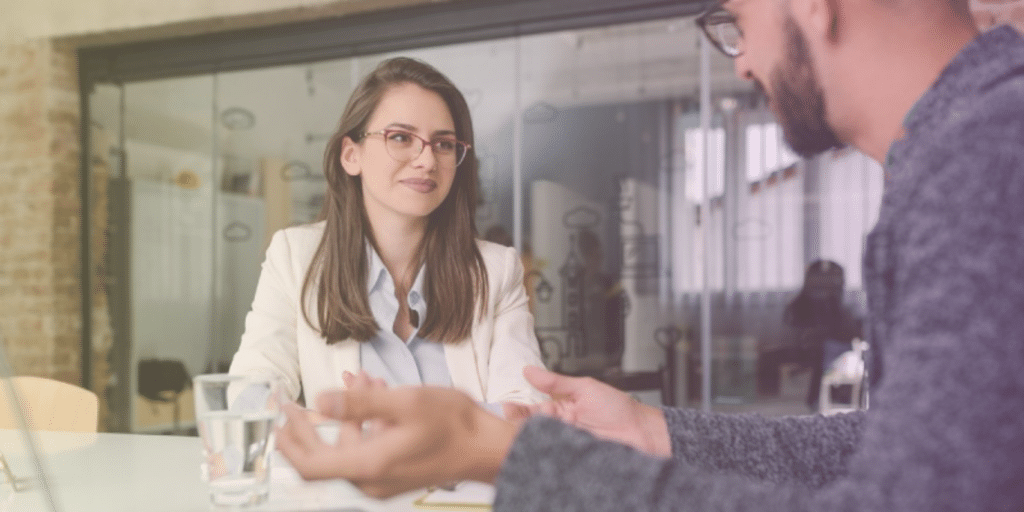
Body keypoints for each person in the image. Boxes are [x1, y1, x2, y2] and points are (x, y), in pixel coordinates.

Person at [276, 2, 1024, 510]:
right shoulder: (962, 146)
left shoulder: (987, 159)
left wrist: (506, 457)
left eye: (740, 18)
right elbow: (884, 447)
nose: (741, 60)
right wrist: (655, 429)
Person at [229, 57, 545, 413]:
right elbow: (250, 388)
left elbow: (526, 407)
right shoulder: (294, 257)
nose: (426, 160)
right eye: (400, 137)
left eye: (443, 144)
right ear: (351, 155)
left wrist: (405, 423)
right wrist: (324, 428)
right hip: (344, 469)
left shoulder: (496, 271)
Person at [782, 259, 861, 409]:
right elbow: (796, 328)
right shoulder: (800, 304)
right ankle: (817, 398)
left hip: (838, 345)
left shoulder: (839, 301)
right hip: (817, 347)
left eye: (835, 277)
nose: (831, 281)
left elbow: (847, 327)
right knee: (823, 353)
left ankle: (839, 395)